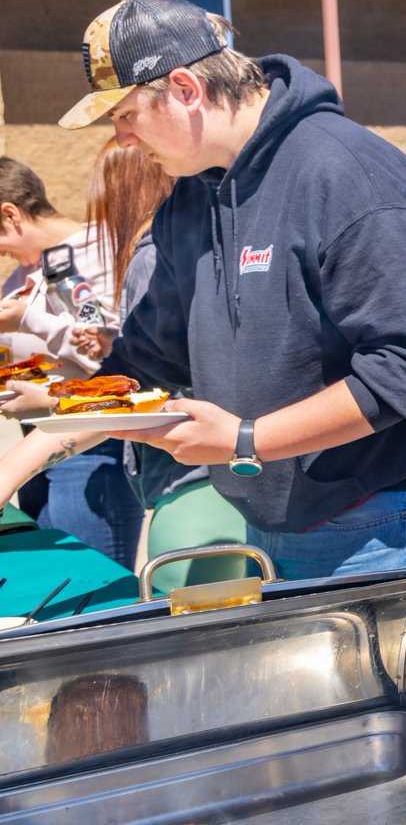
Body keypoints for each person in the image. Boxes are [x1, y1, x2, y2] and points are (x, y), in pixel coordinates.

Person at [0, 0, 406, 580]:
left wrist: (246, 439)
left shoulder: (345, 174)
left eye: (125, 115)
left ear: (185, 90)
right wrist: (28, 450)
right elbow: (147, 363)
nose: (122, 139)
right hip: (271, 520)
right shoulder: (190, 199)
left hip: (385, 518)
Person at [74, 138, 247, 590]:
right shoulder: (197, 248)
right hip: (219, 477)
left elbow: (152, 373)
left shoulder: (153, 253)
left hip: (190, 479)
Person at [0, 156, 144, 568]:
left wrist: (27, 319)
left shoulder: (98, 253)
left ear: (10, 214)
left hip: (89, 448)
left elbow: (109, 358)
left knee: (91, 597)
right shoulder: (20, 277)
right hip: (36, 444)